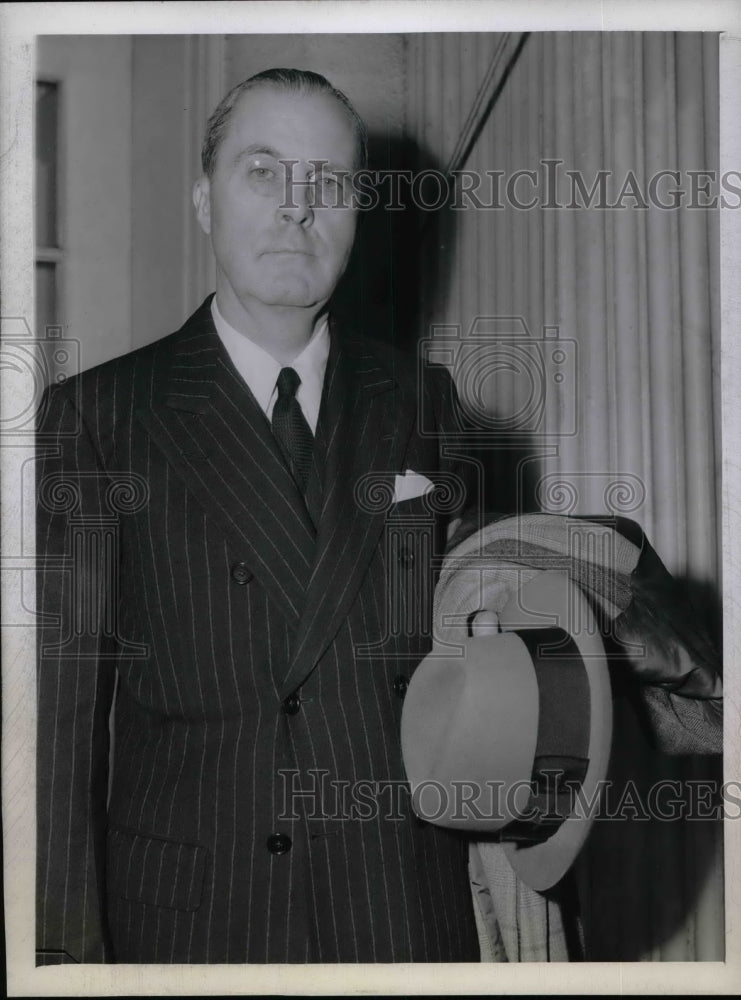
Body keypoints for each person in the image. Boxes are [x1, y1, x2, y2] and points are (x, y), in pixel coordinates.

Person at [35, 68, 481, 964]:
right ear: (205, 201)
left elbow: (471, 660)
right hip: (197, 921)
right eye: (263, 171)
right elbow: (59, 727)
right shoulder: (100, 416)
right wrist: (65, 962)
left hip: (399, 910)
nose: (296, 207)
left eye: (328, 181)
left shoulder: (422, 402)